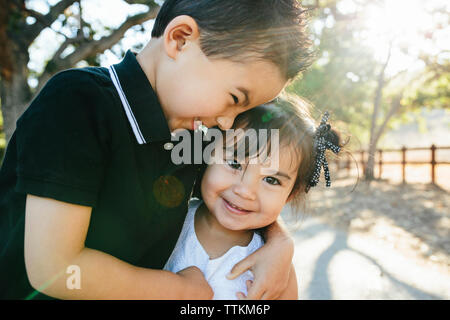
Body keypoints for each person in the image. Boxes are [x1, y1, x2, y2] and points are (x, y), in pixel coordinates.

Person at [0, 0, 314, 299]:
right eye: (234, 98)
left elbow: (241, 186)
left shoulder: (194, 136)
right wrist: (179, 292)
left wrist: (279, 244)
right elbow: (55, 269)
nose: (229, 123)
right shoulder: (78, 102)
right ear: (180, 39)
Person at [164, 95, 343, 299]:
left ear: (291, 194)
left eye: (271, 180)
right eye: (234, 164)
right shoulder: (168, 219)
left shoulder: (275, 271)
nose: (245, 191)